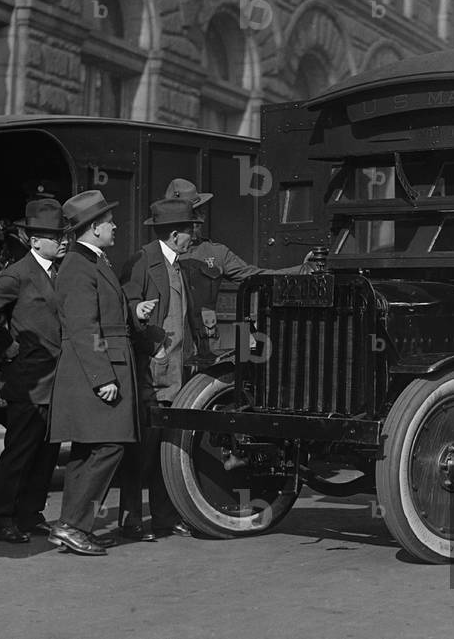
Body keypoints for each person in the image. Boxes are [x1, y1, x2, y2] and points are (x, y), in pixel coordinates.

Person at [0, 199, 67, 543]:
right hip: (27, 380)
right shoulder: (19, 273)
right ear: (33, 240)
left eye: (63, 234)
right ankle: (4, 520)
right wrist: (5, 346)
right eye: (55, 236)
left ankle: (31, 513)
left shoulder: (59, 271)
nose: (62, 241)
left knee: (46, 453)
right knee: (19, 453)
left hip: (55, 382)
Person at [47, 190, 139, 556]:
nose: (114, 226)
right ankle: (72, 525)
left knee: (88, 450)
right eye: (108, 222)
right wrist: (103, 378)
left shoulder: (91, 261)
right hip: (96, 368)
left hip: (99, 364)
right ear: (94, 228)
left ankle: (71, 526)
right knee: (109, 445)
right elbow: (86, 329)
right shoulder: (78, 265)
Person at [117, 198, 202, 541]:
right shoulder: (144, 260)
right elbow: (125, 304)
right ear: (174, 233)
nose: (195, 235)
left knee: (169, 449)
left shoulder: (179, 263)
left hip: (179, 374)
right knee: (143, 450)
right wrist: (143, 319)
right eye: (190, 230)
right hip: (154, 373)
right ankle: (131, 520)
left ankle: (165, 519)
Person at [163, 178, 311, 360]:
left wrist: (303, 270)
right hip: (170, 346)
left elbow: (255, 276)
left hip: (205, 344)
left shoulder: (215, 252)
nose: (199, 218)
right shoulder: (157, 255)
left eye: (198, 212)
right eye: (193, 213)